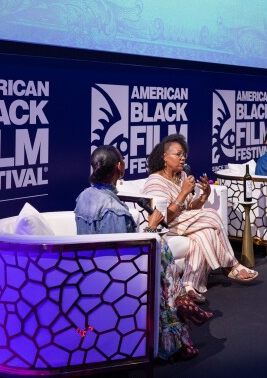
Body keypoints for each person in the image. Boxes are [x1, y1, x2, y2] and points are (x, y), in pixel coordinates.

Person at [75, 145, 210, 361]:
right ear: (119, 166)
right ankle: (179, 324)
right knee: (162, 261)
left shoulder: (83, 197)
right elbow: (123, 259)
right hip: (113, 283)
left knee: (163, 252)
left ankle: (183, 304)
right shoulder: (113, 209)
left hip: (88, 271)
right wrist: (151, 227)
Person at [144, 133, 258, 305]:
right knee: (211, 215)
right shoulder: (155, 182)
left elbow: (190, 209)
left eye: (184, 155)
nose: (183, 159)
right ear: (164, 157)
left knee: (203, 236)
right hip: (167, 226)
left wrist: (204, 196)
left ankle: (189, 286)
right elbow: (163, 217)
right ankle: (231, 265)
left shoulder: (181, 176)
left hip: (184, 222)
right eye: (178, 154)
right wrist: (183, 193)